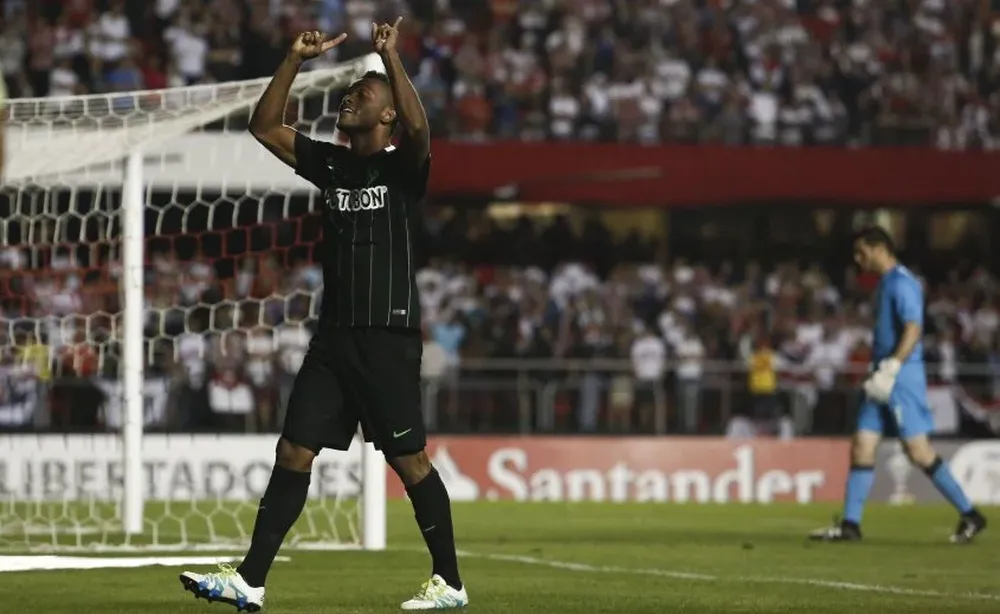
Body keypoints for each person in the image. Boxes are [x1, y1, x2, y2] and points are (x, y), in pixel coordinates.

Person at [179, 21, 469, 611]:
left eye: (364, 93)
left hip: (387, 337)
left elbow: (420, 129)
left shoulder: (403, 168)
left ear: (386, 116)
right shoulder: (331, 165)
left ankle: (450, 584)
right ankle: (250, 581)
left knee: (409, 462)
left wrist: (389, 59)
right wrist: (291, 59)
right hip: (333, 341)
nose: (350, 97)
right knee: (293, 451)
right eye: (352, 90)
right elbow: (263, 127)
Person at [810, 227, 986, 542]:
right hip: (881, 377)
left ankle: (971, 515)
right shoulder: (887, 284)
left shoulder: (903, 283)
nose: (857, 259)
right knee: (862, 444)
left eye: (861, 252)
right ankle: (850, 526)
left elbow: (913, 329)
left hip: (900, 377)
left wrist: (892, 366)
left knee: (917, 451)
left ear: (879, 249)